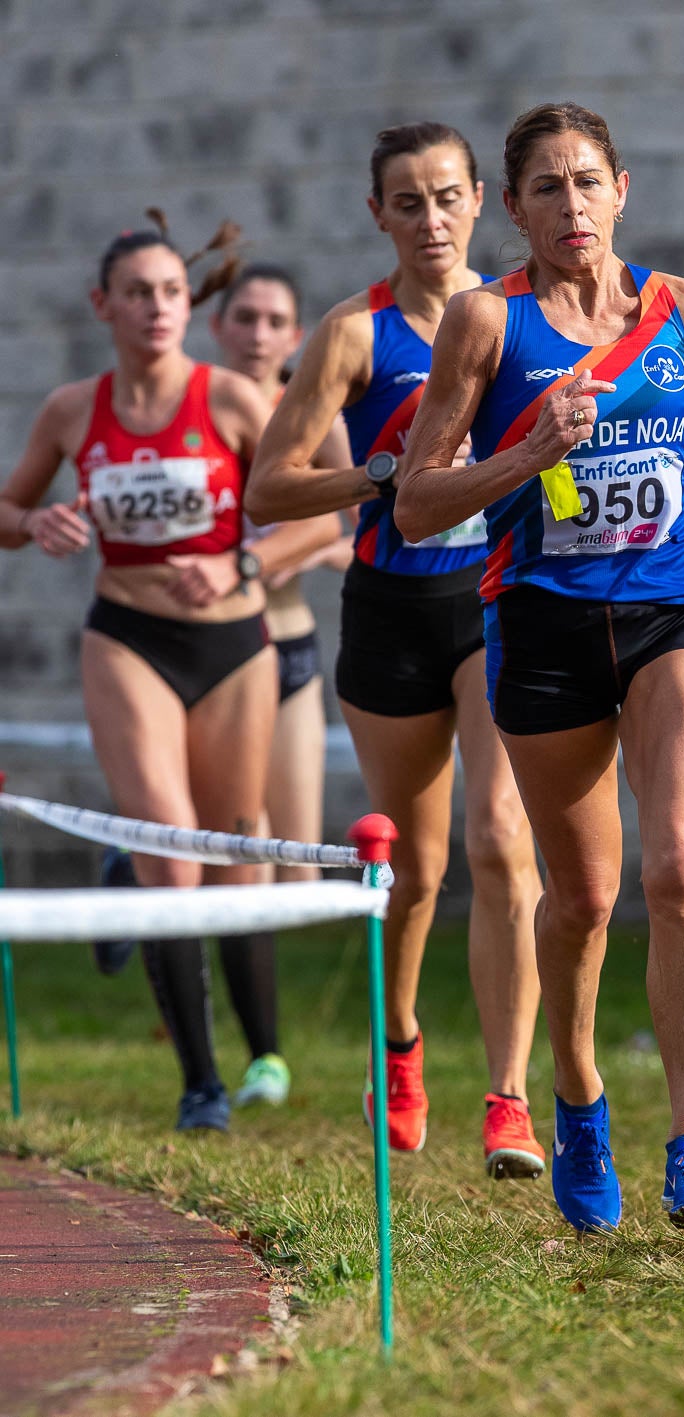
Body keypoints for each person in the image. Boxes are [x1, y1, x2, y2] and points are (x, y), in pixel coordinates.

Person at [395, 101, 684, 1233]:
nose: (571, 205)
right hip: (542, 626)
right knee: (583, 898)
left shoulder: (681, 307)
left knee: (680, 862)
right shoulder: (484, 327)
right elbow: (416, 497)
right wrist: (530, 453)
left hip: (671, 607)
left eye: (588, 181)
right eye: (546, 187)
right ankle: (580, 1100)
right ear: (516, 207)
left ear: (622, 190)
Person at [244, 122, 546, 1180]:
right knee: (414, 869)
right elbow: (269, 488)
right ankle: (403, 1043)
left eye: (448, 197)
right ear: (377, 214)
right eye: (407, 203)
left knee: (502, 835)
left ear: (482, 203)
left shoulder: (522, 317)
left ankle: (509, 1097)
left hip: (495, 599)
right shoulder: (352, 335)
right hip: (389, 608)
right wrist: (376, 475)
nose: (431, 220)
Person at [0, 216, 293, 1133]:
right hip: (127, 636)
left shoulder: (236, 400)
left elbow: (317, 509)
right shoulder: (71, 410)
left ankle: (263, 1051)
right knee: (175, 852)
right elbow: (8, 507)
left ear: (186, 302)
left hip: (235, 643)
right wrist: (34, 522)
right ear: (105, 306)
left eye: (171, 291)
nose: (158, 307)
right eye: (138, 293)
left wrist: (243, 564)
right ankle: (200, 1085)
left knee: (234, 850)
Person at [210, 263, 352, 1106]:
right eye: (246, 318)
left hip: (291, 644)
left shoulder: (309, 409)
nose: (261, 334)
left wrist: (293, 549)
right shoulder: (197, 408)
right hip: (217, 651)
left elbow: (348, 512)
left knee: (293, 872)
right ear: (221, 326)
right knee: (242, 859)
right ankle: (265, 1054)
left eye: (276, 320)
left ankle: (136, 853)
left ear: (296, 335)